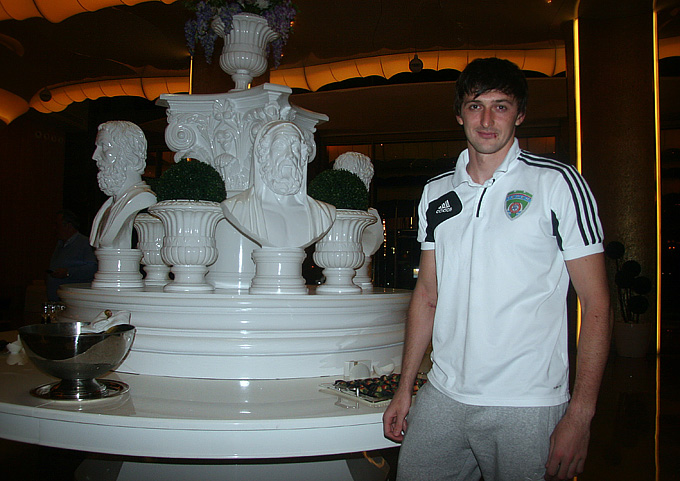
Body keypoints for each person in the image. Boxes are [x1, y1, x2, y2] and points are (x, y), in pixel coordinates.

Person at [382, 57, 612, 481]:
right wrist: (405, 387)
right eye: (475, 105)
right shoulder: (436, 192)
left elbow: (596, 304)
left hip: (527, 402)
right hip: (444, 393)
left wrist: (580, 415)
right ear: (459, 114)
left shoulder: (558, 183)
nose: (486, 120)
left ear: (520, 114)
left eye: (500, 106)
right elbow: (428, 295)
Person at [222, 120, 335, 249]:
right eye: (280, 146)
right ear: (264, 154)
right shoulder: (238, 207)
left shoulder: (322, 213)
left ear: (303, 158)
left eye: (295, 147)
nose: (290, 155)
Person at [90, 121, 156, 249]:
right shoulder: (108, 205)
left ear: (129, 152)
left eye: (104, 146)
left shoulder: (143, 200)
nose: (95, 156)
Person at [47, 210, 97, 301]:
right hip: (57, 299)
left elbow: (92, 268)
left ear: (68, 226)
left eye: (58, 225)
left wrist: (68, 272)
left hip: (72, 300)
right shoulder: (60, 244)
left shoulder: (85, 243)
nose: (55, 228)